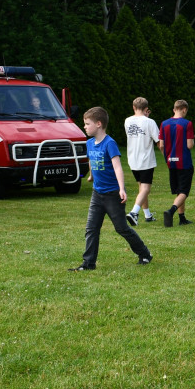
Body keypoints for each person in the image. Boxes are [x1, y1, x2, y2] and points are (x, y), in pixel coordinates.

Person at [69, 107, 152, 271]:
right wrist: (92, 175)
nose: (84, 126)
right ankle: (88, 263)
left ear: (98, 124)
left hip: (113, 194)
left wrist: (122, 188)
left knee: (122, 228)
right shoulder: (89, 143)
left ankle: (145, 253)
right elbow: (92, 160)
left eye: (87, 124)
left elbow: (117, 168)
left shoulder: (110, 143)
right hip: (97, 194)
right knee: (91, 229)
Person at [123, 97, 160, 224]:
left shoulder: (127, 121)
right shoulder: (150, 122)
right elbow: (158, 141)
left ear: (133, 107)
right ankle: (134, 212)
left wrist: (146, 117)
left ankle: (148, 215)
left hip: (133, 159)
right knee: (146, 189)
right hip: (146, 160)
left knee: (141, 188)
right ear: (146, 108)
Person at [159, 100, 195, 226]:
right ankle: (171, 210)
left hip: (171, 162)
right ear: (184, 109)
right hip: (184, 162)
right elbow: (189, 145)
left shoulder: (164, 124)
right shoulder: (187, 124)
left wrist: (167, 157)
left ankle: (182, 218)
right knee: (184, 191)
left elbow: (161, 145)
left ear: (174, 109)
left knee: (179, 190)